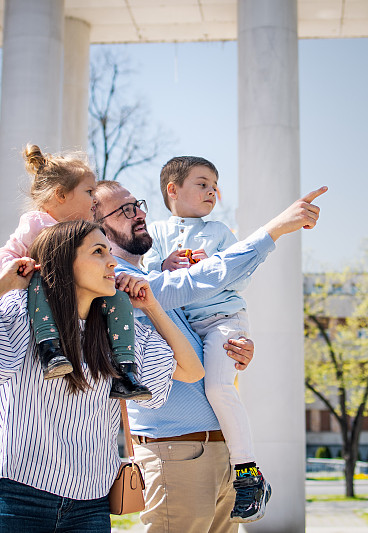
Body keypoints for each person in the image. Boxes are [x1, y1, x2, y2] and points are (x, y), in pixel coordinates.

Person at [0, 220, 204, 532]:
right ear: (63, 262)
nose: (112, 261)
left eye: (110, 252)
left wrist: (152, 306)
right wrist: (2, 285)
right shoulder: (23, 314)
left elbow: (192, 371)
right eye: (98, 252)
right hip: (21, 500)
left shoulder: (118, 333)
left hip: (92, 505)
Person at [94, 180, 326, 532]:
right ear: (98, 227)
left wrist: (235, 348)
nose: (140, 213)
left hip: (219, 450)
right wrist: (274, 230)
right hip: (174, 451)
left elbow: (199, 335)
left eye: (137, 204)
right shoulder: (117, 281)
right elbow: (196, 283)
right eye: (124, 210)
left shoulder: (150, 274)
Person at [141, 156, 266, 522]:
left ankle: (247, 473)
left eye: (215, 185)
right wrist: (164, 267)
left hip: (224, 322)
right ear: (173, 189)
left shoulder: (220, 233)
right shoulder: (156, 234)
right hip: (187, 328)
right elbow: (146, 280)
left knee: (219, 389)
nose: (212, 190)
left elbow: (241, 278)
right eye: (202, 183)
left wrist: (211, 266)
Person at [0, 144, 150, 400]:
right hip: (46, 292)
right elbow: (4, 255)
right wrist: (18, 268)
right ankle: (50, 350)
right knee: (41, 280)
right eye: (89, 192)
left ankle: (125, 371)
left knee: (119, 298)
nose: (94, 200)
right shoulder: (36, 223)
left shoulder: (86, 231)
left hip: (80, 297)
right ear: (60, 195)